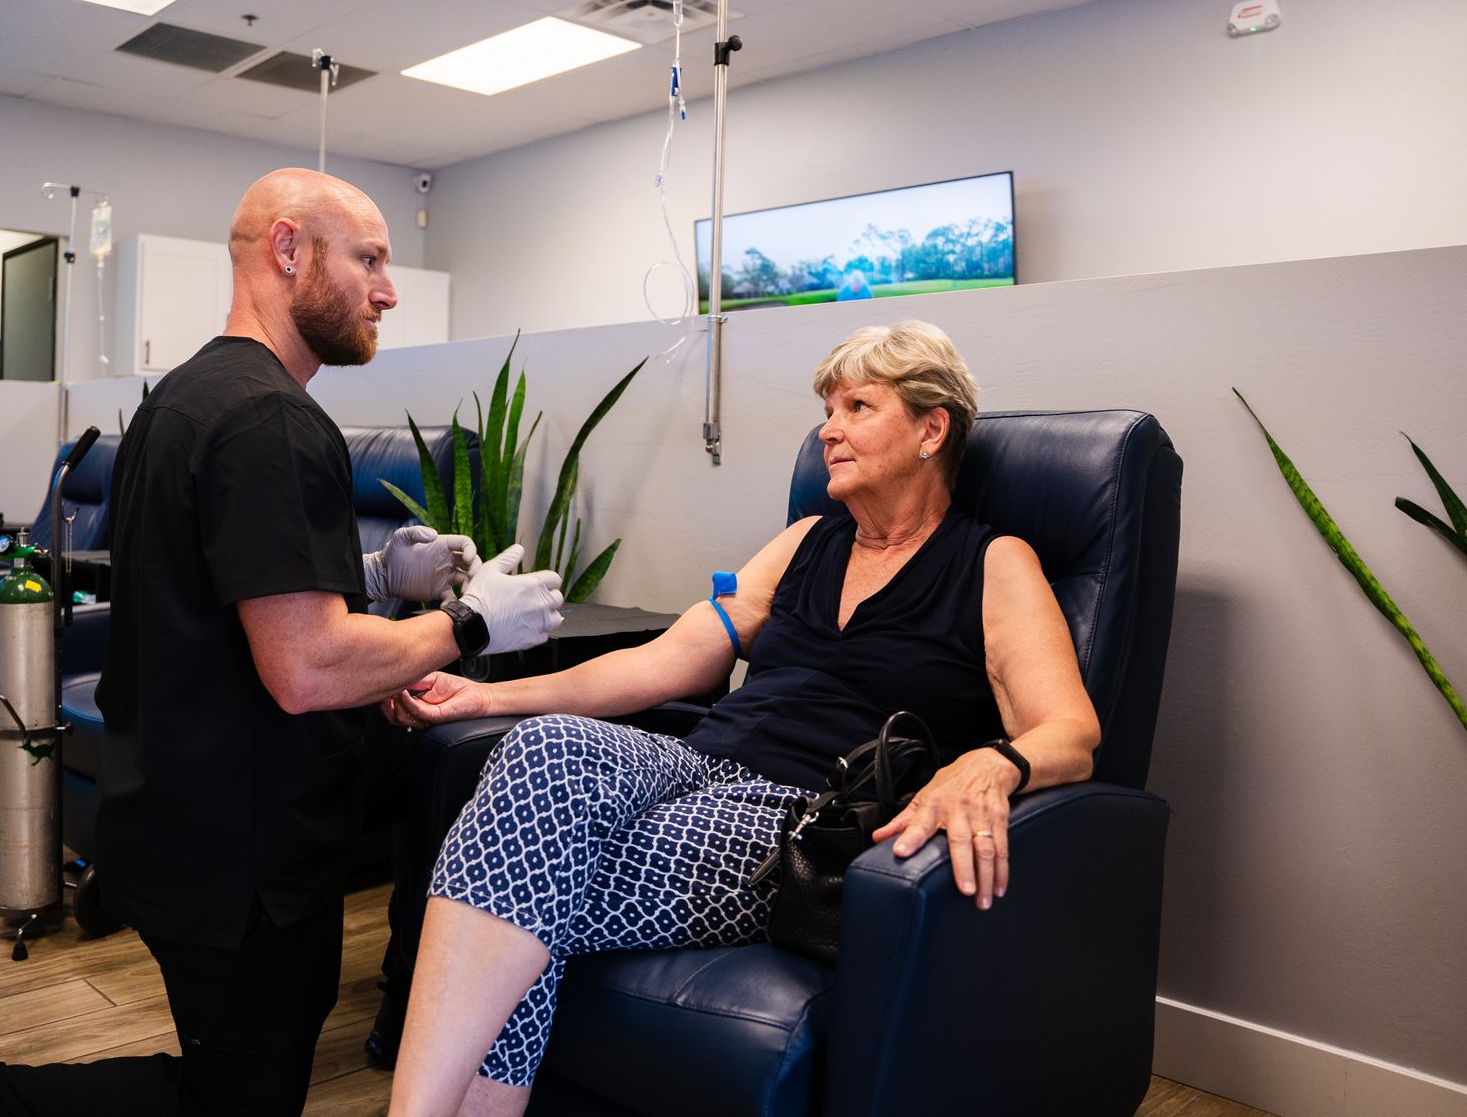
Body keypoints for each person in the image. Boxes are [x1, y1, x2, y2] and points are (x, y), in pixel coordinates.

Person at [0, 169, 567, 1117]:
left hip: (174, 816)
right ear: (290, 252)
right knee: (236, 1101)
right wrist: (470, 622)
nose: (389, 289)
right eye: (369, 258)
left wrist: (374, 580)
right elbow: (305, 668)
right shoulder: (276, 422)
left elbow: (213, 593)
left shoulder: (185, 399)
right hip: (243, 855)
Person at [380, 319, 1104, 1116]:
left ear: (933, 428)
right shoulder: (803, 543)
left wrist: (992, 763)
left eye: (858, 406)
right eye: (827, 409)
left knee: (517, 879)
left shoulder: (995, 562)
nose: (828, 430)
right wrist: (486, 696)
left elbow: (1069, 732)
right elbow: (667, 660)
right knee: (544, 748)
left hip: (799, 813)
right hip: (697, 761)